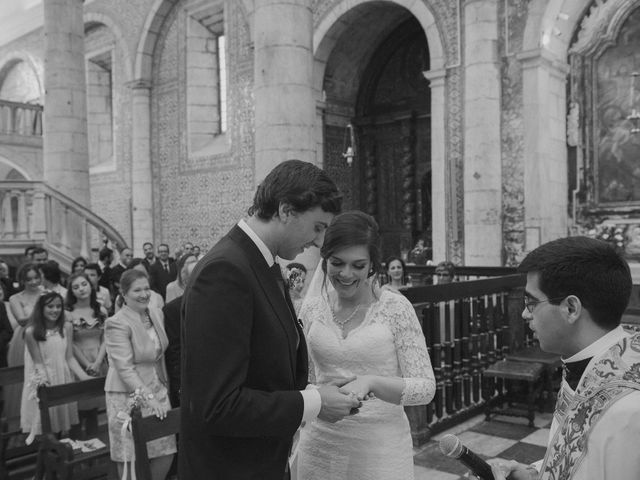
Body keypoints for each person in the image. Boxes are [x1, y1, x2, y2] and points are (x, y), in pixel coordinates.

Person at [180, 159, 360, 480]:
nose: (319, 243)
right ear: (286, 210)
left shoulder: (263, 262)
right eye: (318, 227)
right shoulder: (225, 271)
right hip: (231, 468)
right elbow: (217, 406)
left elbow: (262, 372)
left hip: (264, 462)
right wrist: (312, 403)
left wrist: (313, 390)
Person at [478, 236, 640, 480]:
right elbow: (585, 457)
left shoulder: (628, 409)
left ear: (571, 309)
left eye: (531, 303)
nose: (524, 314)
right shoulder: (592, 359)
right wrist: (534, 473)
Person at [296, 211, 435, 479]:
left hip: (379, 449)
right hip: (320, 443)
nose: (346, 274)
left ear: (372, 264)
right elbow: (305, 379)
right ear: (325, 260)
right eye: (337, 263)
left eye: (358, 265)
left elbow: (425, 388)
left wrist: (372, 382)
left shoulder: (395, 308)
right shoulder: (312, 309)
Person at [104, 269, 175, 480]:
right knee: (130, 454)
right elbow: (125, 368)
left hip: (155, 386)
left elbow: (159, 354)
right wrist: (148, 398)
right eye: (137, 290)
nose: (144, 294)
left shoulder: (155, 313)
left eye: (147, 289)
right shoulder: (116, 322)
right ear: (124, 294)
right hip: (125, 394)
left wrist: (162, 388)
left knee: (165, 449)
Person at [20, 291, 90, 442]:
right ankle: (46, 457)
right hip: (44, 379)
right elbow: (37, 362)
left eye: (59, 306)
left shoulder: (67, 328)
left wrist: (84, 377)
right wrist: (45, 384)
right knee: (45, 424)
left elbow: (69, 357)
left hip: (62, 377)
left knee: (58, 424)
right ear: (41, 308)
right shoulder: (31, 332)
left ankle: (57, 454)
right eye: (50, 306)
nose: (55, 310)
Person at [66, 272, 108, 438]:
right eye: (76, 287)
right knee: (78, 410)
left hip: (99, 359)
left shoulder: (101, 310)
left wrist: (97, 362)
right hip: (78, 363)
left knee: (94, 410)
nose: (81, 289)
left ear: (91, 286)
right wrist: (86, 364)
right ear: (71, 292)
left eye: (84, 284)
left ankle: (95, 450)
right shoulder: (68, 313)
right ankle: (76, 451)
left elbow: (106, 338)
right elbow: (72, 344)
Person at [5, 263, 42, 430]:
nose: (33, 282)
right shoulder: (15, 298)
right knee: (24, 380)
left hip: (44, 338)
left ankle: (43, 419)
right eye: (29, 279)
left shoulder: (47, 294)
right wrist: (44, 310)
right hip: (23, 340)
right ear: (22, 280)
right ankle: (23, 423)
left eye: (36, 278)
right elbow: (21, 319)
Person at [162, 258, 198, 408]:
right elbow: (175, 354)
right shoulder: (172, 310)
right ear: (186, 281)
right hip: (187, 382)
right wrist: (180, 387)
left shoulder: (220, 305)